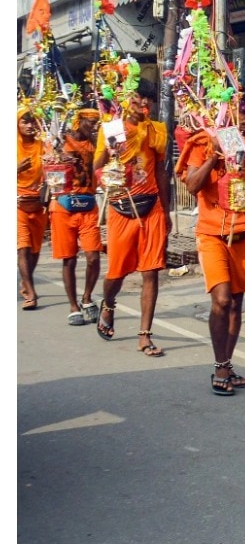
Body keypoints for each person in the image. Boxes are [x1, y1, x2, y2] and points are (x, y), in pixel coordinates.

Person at [176, 91, 245, 395]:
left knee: (236, 303)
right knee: (221, 300)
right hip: (211, 233)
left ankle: (227, 363)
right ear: (227, 113)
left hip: (244, 232)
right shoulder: (203, 141)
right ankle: (220, 365)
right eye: (243, 112)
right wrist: (215, 155)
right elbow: (193, 185)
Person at [93, 79, 172, 357]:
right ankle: (109, 302)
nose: (144, 106)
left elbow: (161, 171)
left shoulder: (157, 130)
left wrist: (167, 208)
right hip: (120, 208)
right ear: (128, 99)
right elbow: (97, 166)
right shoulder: (113, 127)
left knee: (151, 272)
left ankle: (144, 334)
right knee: (116, 272)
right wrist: (110, 170)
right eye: (139, 100)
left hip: (151, 208)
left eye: (149, 101)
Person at [50, 108, 103, 325]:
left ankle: (87, 298)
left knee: (93, 257)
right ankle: (73, 306)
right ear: (78, 121)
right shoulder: (62, 140)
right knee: (69, 259)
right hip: (64, 206)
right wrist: (58, 159)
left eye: (96, 122)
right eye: (90, 122)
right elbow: (50, 171)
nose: (93, 126)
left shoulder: (97, 144)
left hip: (88, 206)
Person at [17, 105, 47, 311]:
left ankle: (26, 282)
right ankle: (31, 292)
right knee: (23, 247)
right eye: (24, 121)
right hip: (16, 203)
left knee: (35, 250)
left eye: (32, 121)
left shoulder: (43, 145)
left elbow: (54, 168)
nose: (29, 125)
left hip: (38, 203)